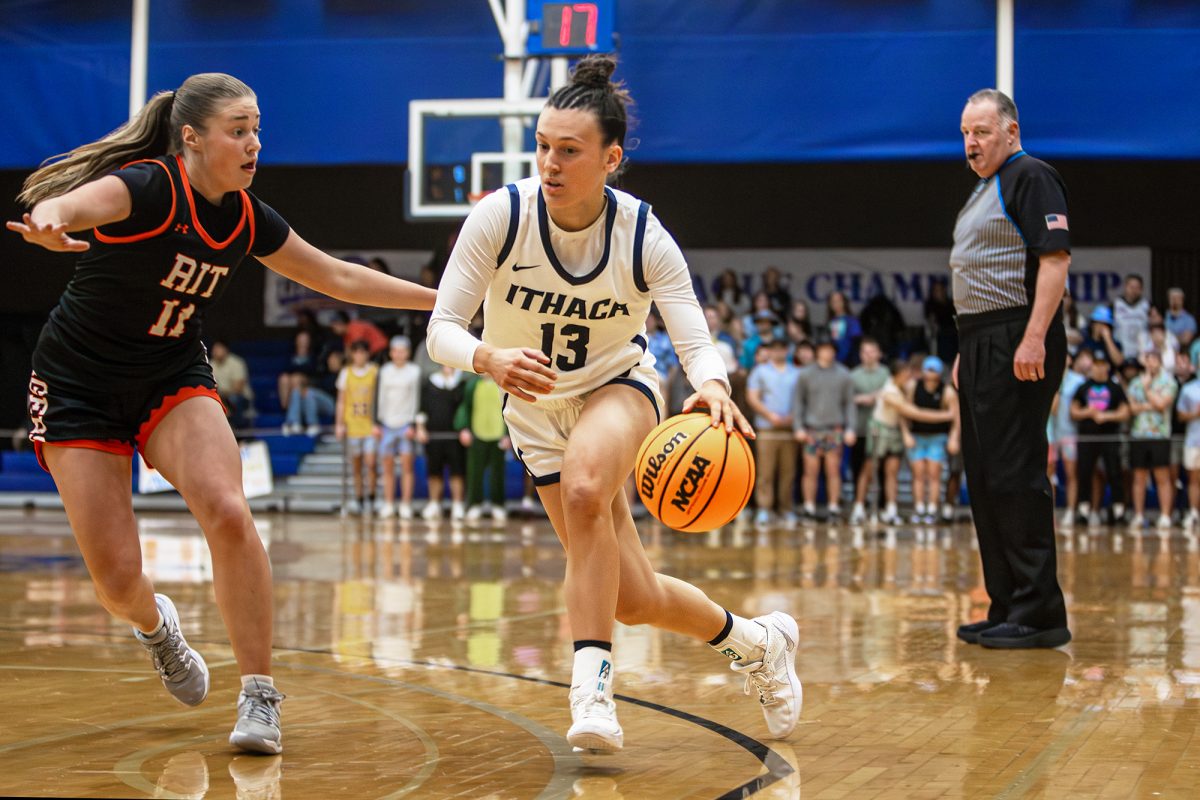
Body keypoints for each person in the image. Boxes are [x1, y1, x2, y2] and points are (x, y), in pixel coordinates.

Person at [5, 72, 435, 753]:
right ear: (192, 138)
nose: (254, 142)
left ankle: (260, 697)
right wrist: (52, 223)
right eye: (239, 129)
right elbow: (78, 203)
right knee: (118, 582)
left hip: (169, 376)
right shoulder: (150, 187)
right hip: (78, 387)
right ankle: (157, 627)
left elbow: (340, 278)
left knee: (229, 509)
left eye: (257, 128)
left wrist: (440, 302)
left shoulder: (244, 216)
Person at [425, 55, 800, 751]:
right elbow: (440, 330)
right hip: (533, 412)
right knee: (631, 597)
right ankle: (757, 642)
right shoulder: (499, 218)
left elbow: (691, 334)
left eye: (569, 150)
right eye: (542, 147)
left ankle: (592, 690)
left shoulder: (643, 234)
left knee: (588, 486)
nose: (551, 163)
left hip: (617, 388)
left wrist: (713, 384)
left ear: (611, 158)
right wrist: (487, 356)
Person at [950, 89, 1071, 649]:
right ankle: (1006, 603)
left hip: (1015, 337)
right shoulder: (984, 188)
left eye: (982, 132)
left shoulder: (1031, 176)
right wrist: (965, 350)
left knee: (1016, 476)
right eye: (966, 133)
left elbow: (1054, 260)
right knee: (985, 480)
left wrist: (1033, 338)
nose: (971, 143)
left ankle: (1040, 612)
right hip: (981, 341)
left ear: (1011, 132)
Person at [791, 337, 856, 520]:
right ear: (817, 351)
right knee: (810, 470)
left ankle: (834, 506)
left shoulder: (844, 374)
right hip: (812, 429)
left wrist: (850, 428)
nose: (827, 353)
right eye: (823, 349)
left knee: (833, 470)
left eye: (830, 349)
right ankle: (809, 506)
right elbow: (798, 403)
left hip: (834, 429)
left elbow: (849, 404)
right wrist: (798, 426)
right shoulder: (805, 374)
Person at [746, 338, 801, 526]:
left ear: (787, 350)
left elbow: (801, 399)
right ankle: (764, 508)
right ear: (770, 351)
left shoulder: (797, 372)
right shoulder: (760, 371)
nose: (778, 352)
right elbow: (752, 397)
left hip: (790, 429)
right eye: (775, 349)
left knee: (788, 472)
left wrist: (794, 416)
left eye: (782, 348)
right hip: (767, 428)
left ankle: (786, 509)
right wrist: (769, 415)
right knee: (765, 472)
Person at [1071, 350, 1129, 526]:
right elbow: (1073, 411)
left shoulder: (1115, 388)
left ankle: (1118, 511)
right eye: (1096, 364)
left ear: (1107, 367)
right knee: (1084, 472)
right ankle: (1083, 510)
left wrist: (1106, 416)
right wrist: (1087, 412)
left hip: (1110, 436)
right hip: (1087, 437)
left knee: (1114, 472)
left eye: (1102, 364)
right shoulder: (1083, 387)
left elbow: (1125, 411)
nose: (1099, 367)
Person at [1126, 347, 1177, 529]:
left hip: (1159, 434)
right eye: (1148, 360)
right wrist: (1151, 404)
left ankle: (1164, 516)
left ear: (1160, 362)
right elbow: (1132, 409)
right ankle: (1139, 515)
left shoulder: (1169, 382)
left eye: (1154, 359)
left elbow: (1162, 404)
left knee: (1162, 476)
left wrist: (1147, 390)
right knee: (1138, 477)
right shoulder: (1135, 382)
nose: (1151, 363)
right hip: (1138, 434)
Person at [905, 356, 959, 525]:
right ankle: (919, 508)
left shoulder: (947, 391)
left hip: (937, 437)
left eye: (934, 370)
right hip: (917, 436)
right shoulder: (913, 387)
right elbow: (904, 412)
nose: (930, 373)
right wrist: (906, 433)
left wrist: (953, 438)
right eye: (928, 369)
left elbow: (956, 417)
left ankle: (932, 509)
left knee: (934, 475)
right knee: (918, 474)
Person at [375, 336, 422, 519]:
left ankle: (405, 504)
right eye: (396, 350)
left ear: (408, 353)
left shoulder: (414, 372)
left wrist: (413, 424)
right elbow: (378, 397)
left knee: (406, 467)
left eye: (403, 350)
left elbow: (418, 399)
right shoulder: (384, 371)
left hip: (405, 425)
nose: (399, 354)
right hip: (386, 424)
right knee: (386, 467)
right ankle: (388, 503)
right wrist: (377, 423)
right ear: (391, 353)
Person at [456, 373, 511, 524]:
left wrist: (508, 434)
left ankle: (498, 505)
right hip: (477, 434)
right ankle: (474, 504)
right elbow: (465, 407)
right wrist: (464, 428)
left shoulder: (503, 383)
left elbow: (511, 410)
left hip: (498, 435)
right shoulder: (472, 385)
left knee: (498, 473)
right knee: (474, 471)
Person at [416, 363, 468, 522]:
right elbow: (422, 408)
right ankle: (434, 504)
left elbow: (466, 410)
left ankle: (457, 504)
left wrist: (465, 429)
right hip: (434, 435)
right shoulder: (429, 383)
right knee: (434, 471)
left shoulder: (461, 385)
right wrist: (420, 428)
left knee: (457, 471)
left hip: (455, 436)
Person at [848, 338, 890, 525]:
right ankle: (859, 506)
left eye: (872, 351)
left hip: (883, 429)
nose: (869, 355)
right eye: (865, 352)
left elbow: (889, 394)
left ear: (879, 353)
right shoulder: (853, 375)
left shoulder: (887, 374)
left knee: (881, 470)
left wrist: (876, 397)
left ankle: (882, 506)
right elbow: (846, 399)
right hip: (860, 429)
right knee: (859, 469)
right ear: (860, 354)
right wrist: (860, 399)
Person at [336, 340, 380, 514]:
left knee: (370, 463)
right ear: (352, 354)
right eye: (357, 352)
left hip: (370, 425)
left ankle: (372, 496)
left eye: (363, 352)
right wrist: (339, 424)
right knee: (356, 465)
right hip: (352, 424)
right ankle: (359, 498)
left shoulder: (374, 372)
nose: (360, 356)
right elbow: (341, 401)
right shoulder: (345, 373)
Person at [1052, 349, 1092, 527]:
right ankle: (1049, 512)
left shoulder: (1079, 381)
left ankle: (1070, 510)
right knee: (1047, 475)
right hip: (1049, 432)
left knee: (1071, 474)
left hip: (1070, 433)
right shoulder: (1047, 377)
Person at [1175, 367, 1200, 528]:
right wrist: (1195, 414)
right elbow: (1180, 415)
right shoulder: (1188, 388)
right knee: (1194, 479)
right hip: (1193, 441)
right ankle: (1193, 513)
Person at [209, 340, 254, 429]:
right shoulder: (210, 364)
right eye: (214, 349)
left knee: (233, 399)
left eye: (218, 348)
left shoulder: (236, 362)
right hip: (221, 397)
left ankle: (239, 430)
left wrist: (222, 395)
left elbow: (237, 389)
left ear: (225, 349)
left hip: (241, 398)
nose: (215, 351)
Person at [1113, 274, 1149, 362]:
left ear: (1141, 290)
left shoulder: (1147, 306)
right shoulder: (1115, 305)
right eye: (1131, 287)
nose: (1134, 290)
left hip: (1141, 354)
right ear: (1125, 287)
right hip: (1120, 352)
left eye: (1137, 287)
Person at [825, 290, 862, 366]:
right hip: (833, 362)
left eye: (838, 300)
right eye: (833, 301)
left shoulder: (852, 320)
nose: (836, 304)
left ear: (844, 302)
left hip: (849, 362)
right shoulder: (830, 321)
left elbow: (856, 342)